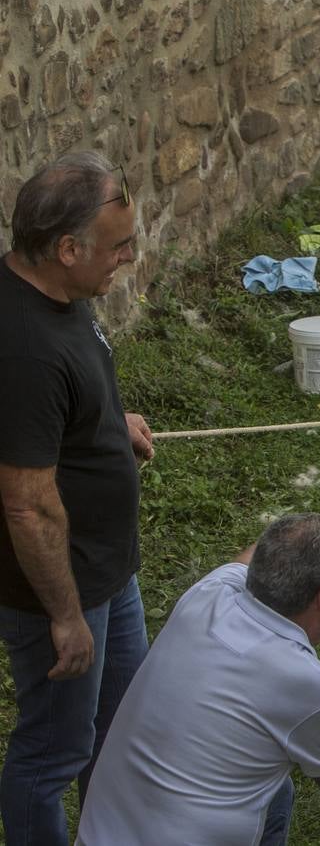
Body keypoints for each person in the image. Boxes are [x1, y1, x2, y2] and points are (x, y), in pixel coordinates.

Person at [74, 514, 320, 845]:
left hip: (99, 835)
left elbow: (264, 546)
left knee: (279, 791)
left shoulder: (210, 593)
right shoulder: (308, 683)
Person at [0, 152, 155, 845]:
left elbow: (47, 416)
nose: (128, 257)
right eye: (118, 246)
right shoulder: (24, 347)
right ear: (66, 249)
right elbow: (27, 504)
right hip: (61, 592)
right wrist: (65, 616)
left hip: (105, 572)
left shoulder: (61, 299)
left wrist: (103, 423)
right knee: (53, 752)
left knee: (121, 726)